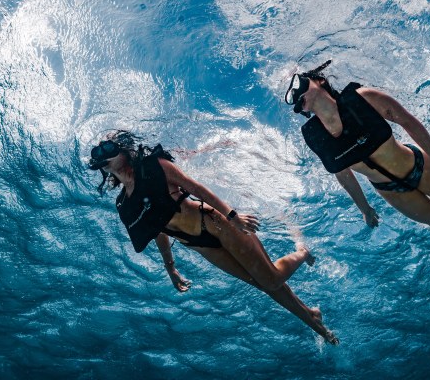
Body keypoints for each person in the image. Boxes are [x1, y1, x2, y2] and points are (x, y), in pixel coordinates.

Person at [284, 61, 430, 297]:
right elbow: (342, 174)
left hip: (417, 165)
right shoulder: (315, 136)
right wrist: (364, 208)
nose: (296, 93)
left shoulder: (363, 97)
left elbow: (406, 120)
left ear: (320, 81)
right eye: (292, 96)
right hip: (390, 189)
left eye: (299, 84)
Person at [88, 130, 338, 343]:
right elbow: (157, 231)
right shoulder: (124, 204)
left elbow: (195, 187)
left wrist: (233, 216)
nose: (105, 156)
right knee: (263, 284)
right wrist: (170, 268)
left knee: (271, 280)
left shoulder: (155, 166)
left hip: (215, 223)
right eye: (99, 154)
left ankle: (302, 252)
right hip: (200, 246)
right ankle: (312, 318)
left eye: (109, 149)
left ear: (125, 151)